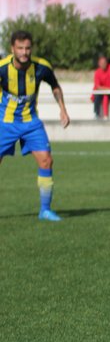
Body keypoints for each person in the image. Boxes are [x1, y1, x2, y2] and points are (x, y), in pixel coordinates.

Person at [0, 30, 70, 221]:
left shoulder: (41, 67)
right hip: (5, 123)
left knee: (46, 160)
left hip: (31, 123)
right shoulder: (2, 68)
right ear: (12, 48)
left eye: (27, 48)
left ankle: (45, 210)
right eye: (20, 48)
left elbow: (55, 86)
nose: (24, 52)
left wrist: (63, 109)